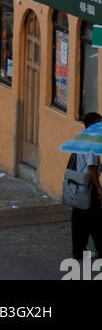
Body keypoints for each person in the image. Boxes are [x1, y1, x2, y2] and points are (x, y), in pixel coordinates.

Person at [69, 112, 102, 261]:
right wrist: (99, 188)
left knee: (81, 219)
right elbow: (92, 167)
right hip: (88, 186)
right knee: (94, 218)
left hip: (78, 184)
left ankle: (78, 250)